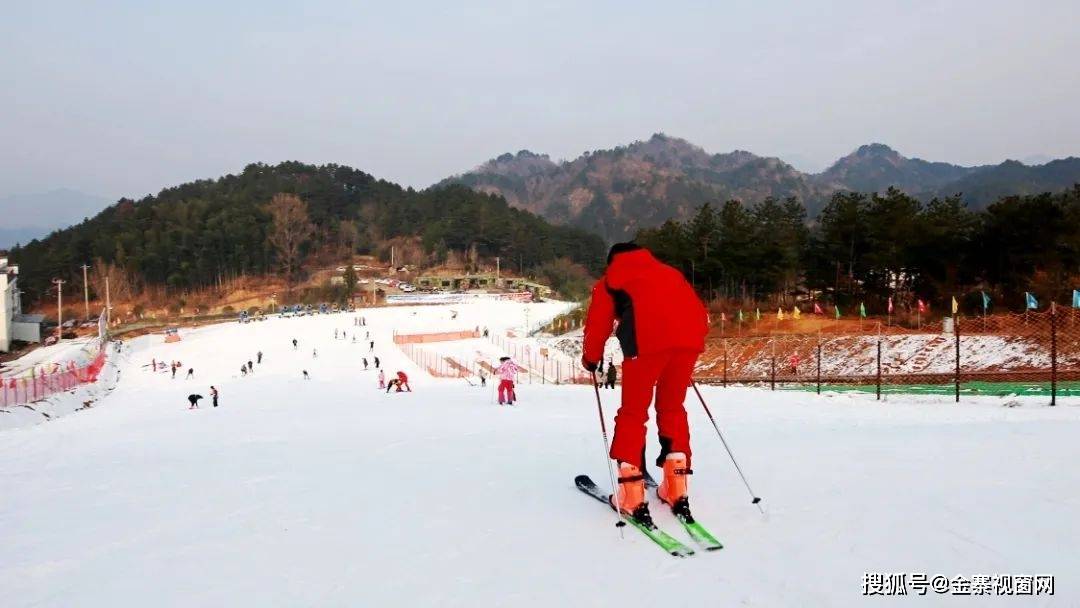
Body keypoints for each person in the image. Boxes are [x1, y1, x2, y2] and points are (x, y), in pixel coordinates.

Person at [580, 242, 708, 521]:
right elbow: (695, 307)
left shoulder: (610, 281)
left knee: (633, 413)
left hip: (645, 346)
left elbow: (598, 323)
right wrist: (685, 342)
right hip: (689, 341)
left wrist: (591, 359)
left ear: (612, 260)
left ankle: (631, 494)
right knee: (672, 408)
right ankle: (676, 487)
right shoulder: (669, 272)